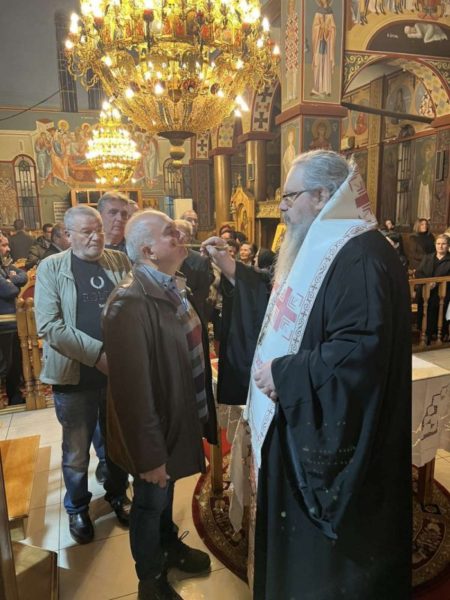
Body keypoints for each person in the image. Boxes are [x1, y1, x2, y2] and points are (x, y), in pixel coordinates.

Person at [203, 150, 412, 599]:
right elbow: (290, 305)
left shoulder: (359, 254)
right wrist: (234, 271)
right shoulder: (326, 245)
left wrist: (285, 373)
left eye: (289, 197)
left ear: (321, 195)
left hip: (329, 432)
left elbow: (360, 349)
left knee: (323, 568)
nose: (281, 208)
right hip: (299, 413)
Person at [102, 210, 217, 600]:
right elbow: (132, 393)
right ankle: (150, 580)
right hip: (155, 425)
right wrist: (150, 455)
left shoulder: (170, 285)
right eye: (170, 233)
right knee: (150, 500)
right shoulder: (129, 302)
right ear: (148, 250)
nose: (180, 236)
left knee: (167, 493)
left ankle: (168, 545)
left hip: (176, 413)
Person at [34, 205, 132, 545]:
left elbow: (132, 308)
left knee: (116, 443)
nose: (96, 237)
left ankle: (118, 494)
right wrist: (98, 355)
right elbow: (50, 326)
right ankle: (77, 507)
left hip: (116, 374)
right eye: (87, 232)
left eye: (99, 230)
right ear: (68, 235)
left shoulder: (118, 261)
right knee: (76, 452)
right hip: (74, 378)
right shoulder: (51, 267)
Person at [0, 234, 27, 405]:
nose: (8, 249)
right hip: (3, 323)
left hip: (12, 322)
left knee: (15, 363)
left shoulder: (5, 265)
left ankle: (14, 396)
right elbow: (8, 291)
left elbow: (23, 275)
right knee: (5, 365)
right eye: (3, 245)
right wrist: (11, 283)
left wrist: (11, 279)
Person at [175, 219, 214, 323]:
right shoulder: (164, 257)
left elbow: (203, 292)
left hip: (193, 312)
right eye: (173, 233)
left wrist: (184, 306)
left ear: (189, 237)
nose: (177, 237)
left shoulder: (200, 260)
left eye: (180, 234)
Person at [415, 234, 450, 342]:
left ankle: (437, 334)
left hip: (443, 292)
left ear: (448, 245)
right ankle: (425, 334)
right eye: (438, 243)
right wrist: (428, 282)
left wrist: (437, 282)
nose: (440, 246)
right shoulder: (428, 257)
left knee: (437, 309)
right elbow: (419, 272)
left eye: (443, 244)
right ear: (435, 245)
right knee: (424, 310)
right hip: (426, 291)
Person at [311, 0, 336, 97]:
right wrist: (320, 27)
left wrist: (329, 29)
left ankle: (326, 89)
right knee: (318, 63)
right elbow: (314, 27)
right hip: (319, 41)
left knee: (326, 64)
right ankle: (316, 88)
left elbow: (333, 28)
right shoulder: (318, 12)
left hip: (327, 43)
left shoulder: (330, 12)